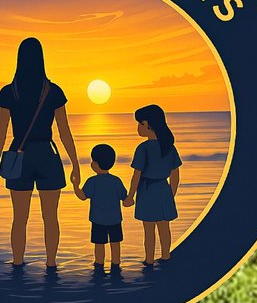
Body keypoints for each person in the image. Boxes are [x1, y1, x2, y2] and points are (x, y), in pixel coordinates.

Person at [0, 37, 78, 269]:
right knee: (51, 218)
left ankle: (18, 263)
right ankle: (51, 264)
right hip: (47, 155)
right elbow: (64, 130)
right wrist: (75, 164)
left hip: (19, 155)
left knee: (19, 218)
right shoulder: (53, 91)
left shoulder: (9, 92)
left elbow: (0, 133)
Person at [130, 104, 183, 267]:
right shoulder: (169, 147)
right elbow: (175, 174)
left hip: (147, 190)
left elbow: (136, 175)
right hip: (163, 189)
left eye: (140, 123)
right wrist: (171, 193)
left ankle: (149, 259)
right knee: (164, 227)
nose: (138, 127)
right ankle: (166, 256)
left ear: (147, 124)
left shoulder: (143, 148)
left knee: (149, 230)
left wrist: (130, 196)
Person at [78, 144, 131, 273]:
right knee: (115, 242)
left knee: (99, 244)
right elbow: (125, 197)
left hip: (98, 220)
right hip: (115, 219)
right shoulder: (116, 181)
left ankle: (99, 263)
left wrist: (75, 186)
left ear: (95, 164)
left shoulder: (92, 181)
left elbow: (83, 196)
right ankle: (116, 263)